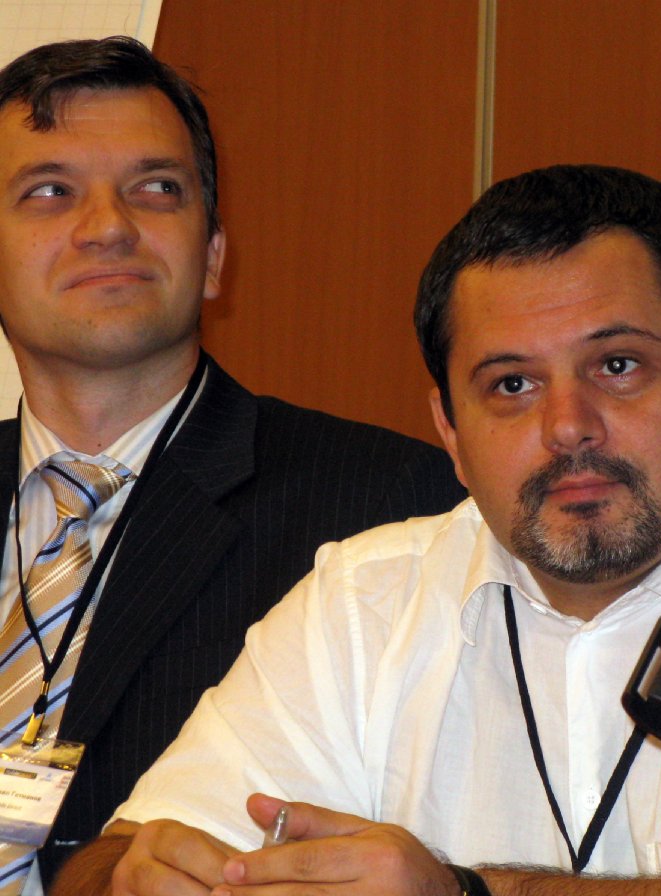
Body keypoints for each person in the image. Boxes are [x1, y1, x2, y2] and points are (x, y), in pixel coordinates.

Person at [54, 165, 661, 896]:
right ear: (449, 432)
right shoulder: (364, 598)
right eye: (510, 384)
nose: (567, 427)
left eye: (618, 366)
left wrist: (469, 895)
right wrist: (146, 877)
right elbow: (104, 863)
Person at [0, 36, 464, 894]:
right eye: (51, 191)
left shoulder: (387, 507)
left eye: (156, 189)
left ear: (213, 255)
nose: (108, 226)